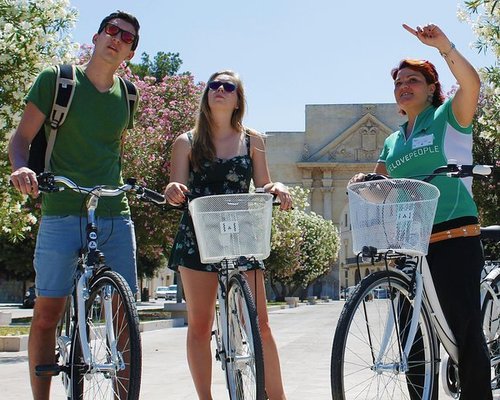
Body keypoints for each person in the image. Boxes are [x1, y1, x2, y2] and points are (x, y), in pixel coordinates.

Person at [351, 23, 490, 399]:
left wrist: (444, 47)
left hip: (453, 235)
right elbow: (379, 191)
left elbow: (471, 84)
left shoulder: (448, 117)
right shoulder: (393, 140)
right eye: (398, 83)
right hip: (409, 244)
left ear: (431, 89)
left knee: (465, 332)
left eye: (412, 80)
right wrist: (364, 185)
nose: (403, 87)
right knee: (411, 340)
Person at [8, 11, 140, 400]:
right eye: (112, 31)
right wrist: (21, 170)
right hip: (62, 209)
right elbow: (21, 139)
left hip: (114, 212)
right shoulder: (58, 80)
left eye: (127, 38)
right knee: (47, 312)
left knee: (123, 316)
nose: (117, 39)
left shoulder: (128, 96)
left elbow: (112, 152)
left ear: (129, 53)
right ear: (97, 37)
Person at [164, 70, 291, 400]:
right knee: (200, 325)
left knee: (260, 323)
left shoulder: (254, 140)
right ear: (207, 95)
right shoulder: (186, 141)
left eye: (228, 86)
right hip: (198, 235)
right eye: (213, 86)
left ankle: (277, 396)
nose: (219, 90)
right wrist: (174, 190)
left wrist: (274, 186)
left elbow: (263, 182)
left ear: (238, 99)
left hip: (242, 233)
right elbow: (176, 186)